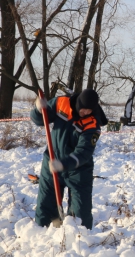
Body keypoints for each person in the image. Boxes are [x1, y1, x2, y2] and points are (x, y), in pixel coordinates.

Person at [30, 89, 107, 229]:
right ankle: (46, 236)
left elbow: (83, 152)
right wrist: (38, 109)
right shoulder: (62, 103)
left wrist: (63, 164)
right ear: (78, 104)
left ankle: (77, 243)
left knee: (80, 215)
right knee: (44, 209)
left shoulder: (92, 123)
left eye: (89, 110)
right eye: (83, 109)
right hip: (52, 161)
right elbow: (40, 120)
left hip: (79, 170)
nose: (85, 113)